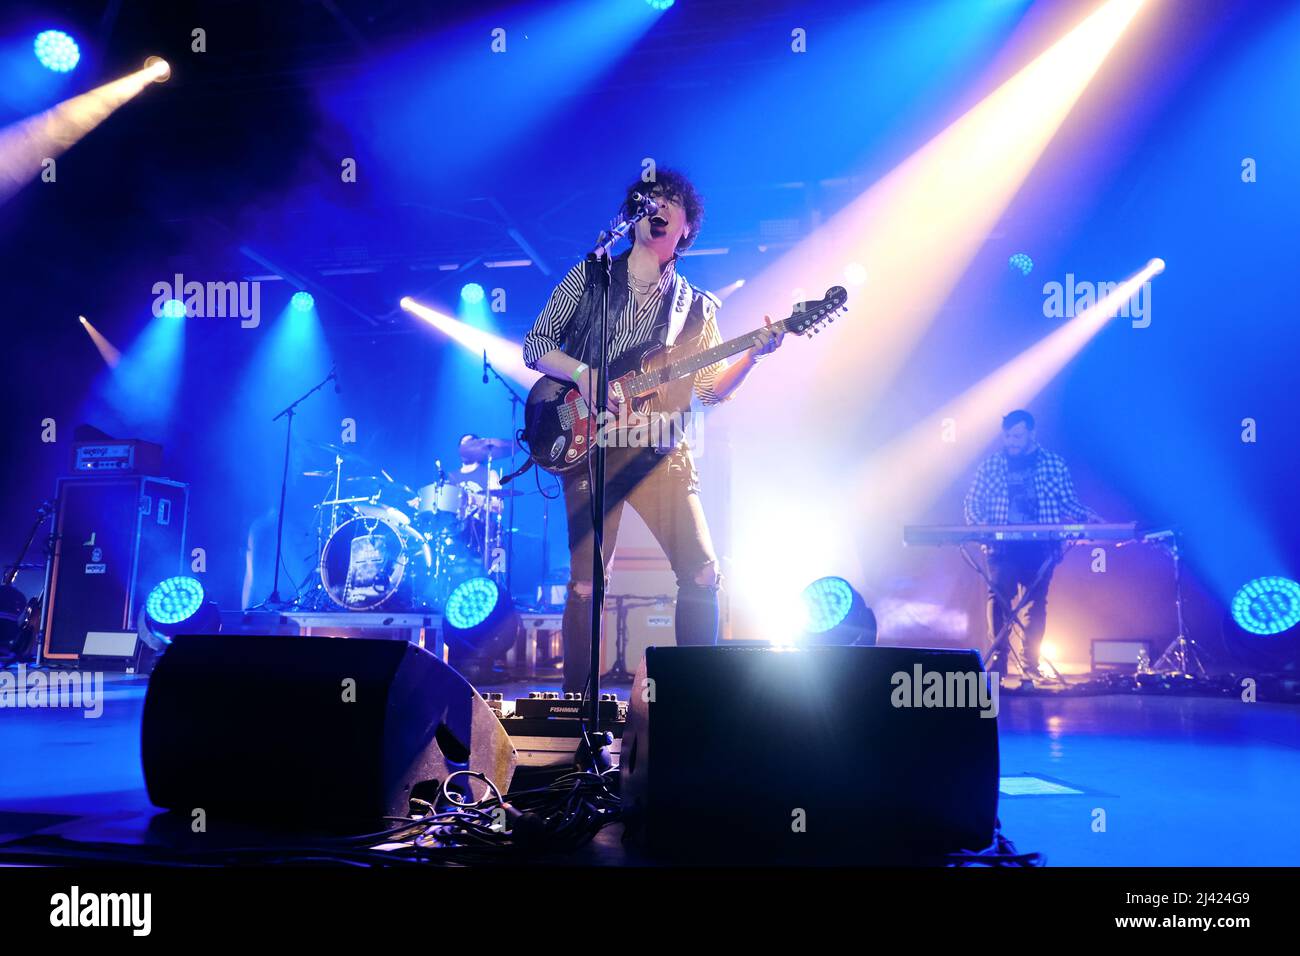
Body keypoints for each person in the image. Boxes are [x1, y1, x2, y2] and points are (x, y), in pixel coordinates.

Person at [523, 168, 782, 694]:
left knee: (704, 573)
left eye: (669, 201)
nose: (657, 206)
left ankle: (697, 701)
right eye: (649, 199)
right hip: (592, 450)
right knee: (585, 584)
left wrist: (753, 353)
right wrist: (584, 373)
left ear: (686, 228)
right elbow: (536, 345)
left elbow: (708, 391)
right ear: (635, 217)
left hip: (660, 452)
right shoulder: (590, 277)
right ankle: (579, 712)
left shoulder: (698, 309)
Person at [963, 410, 1100, 678]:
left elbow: (1067, 502)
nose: (1011, 441)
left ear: (1031, 434)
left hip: (1040, 547)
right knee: (999, 594)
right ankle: (999, 662)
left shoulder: (1053, 464)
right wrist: (981, 528)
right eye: (1007, 436)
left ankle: (1030, 665)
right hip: (1002, 547)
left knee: (1036, 603)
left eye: (1017, 435)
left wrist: (1091, 519)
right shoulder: (991, 466)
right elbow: (972, 501)